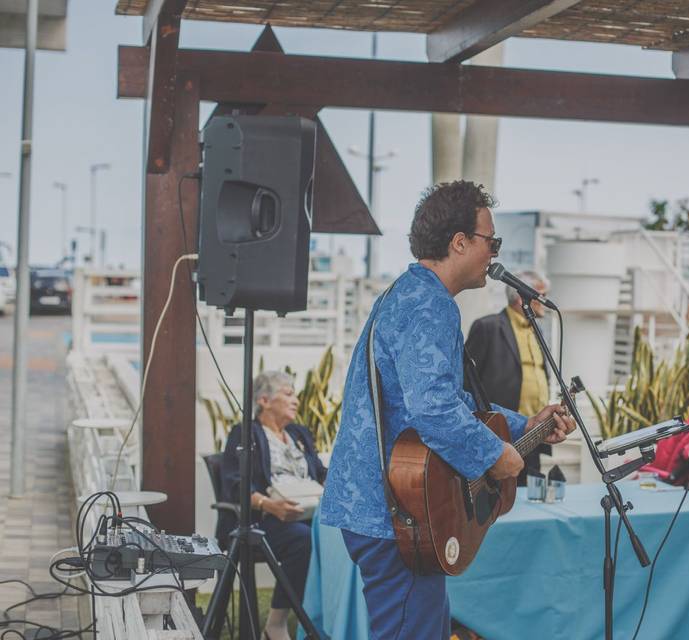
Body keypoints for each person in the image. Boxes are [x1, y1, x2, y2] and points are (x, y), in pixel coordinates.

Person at [319, 181, 576, 639]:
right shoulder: (429, 305)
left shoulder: (411, 294)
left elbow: (450, 402)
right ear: (460, 242)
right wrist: (498, 457)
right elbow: (434, 412)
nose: (494, 253)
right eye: (490, 241)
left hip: (388, 503)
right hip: (392, 510)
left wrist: (523, 425)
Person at [221, 371, 327, 640]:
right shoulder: (245, 433)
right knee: (304, 541)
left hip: (309, 513)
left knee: (339, 538)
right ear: (265, 400)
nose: (296, 400)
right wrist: (270, 505)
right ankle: (276, 623)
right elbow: (235, 483)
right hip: (265, 518)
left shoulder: (299, 433)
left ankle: (328, 618)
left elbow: (319, 472)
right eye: (288, 394)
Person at [465, 270, 552, 486]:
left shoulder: (537, 329)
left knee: (529, 498)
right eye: (540, 295)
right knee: (500, 502)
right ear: (522, 298)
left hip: (534, 434)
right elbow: (466, 384)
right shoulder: (488, 327)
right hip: (499, 437)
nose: (545, 301)